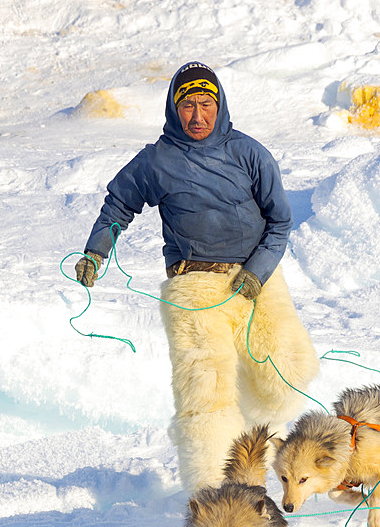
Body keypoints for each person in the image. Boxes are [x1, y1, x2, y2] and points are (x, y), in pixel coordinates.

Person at [76, 61, 319, 492]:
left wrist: (257, 273)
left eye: (206, 103)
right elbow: (118, 205)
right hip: (192, 286)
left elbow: (280, 222)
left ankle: (269, 463)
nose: (197, 115)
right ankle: (214, 492)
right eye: (187, 105)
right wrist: (96, 252)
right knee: (206, 393)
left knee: (282, 379)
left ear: (220, 105)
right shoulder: (156, 160)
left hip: (254, 280)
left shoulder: (249, 153)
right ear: (173, 108)